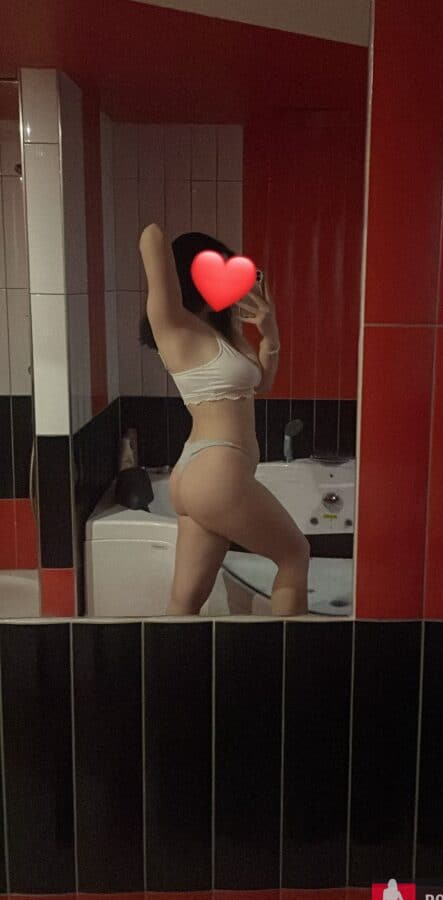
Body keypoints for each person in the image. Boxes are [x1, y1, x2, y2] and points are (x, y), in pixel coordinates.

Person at [138, 223, 310, 617]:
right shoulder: (175, 326)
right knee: (295, 554)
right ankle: (291, 657)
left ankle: (169, 661)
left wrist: (269, 333)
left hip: (201, 472)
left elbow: (262, 383)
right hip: (215, 472)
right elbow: (151, 237)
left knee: (185, 601)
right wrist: (179, 259)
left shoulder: (223, 332)